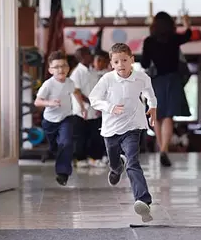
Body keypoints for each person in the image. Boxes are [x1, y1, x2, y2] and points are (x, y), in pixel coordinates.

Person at [89, 43, 157, 222]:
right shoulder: (107, 79)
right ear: (112, 64)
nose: (121, 64)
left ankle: (143, 200)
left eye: (125, 60)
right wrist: (109, 107)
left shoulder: (141, 77)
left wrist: (153, 107)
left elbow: (149, 93)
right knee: (114, 160)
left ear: (132, 60)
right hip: (111, 129)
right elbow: (93, 99)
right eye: (117, 61)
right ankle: (115, 167)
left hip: (133, 127)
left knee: (133, 162)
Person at [141, 12, 193, 167]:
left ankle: (160, 147)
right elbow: (187, 35)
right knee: (169, 116)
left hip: (156, 81)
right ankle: (164, 149)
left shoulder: (149, 41)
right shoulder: (174, 39)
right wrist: (187, 24)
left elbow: (144, 63)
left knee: (157, 117)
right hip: (173, 80)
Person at [35, 51, 87, 186]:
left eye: (64, 66)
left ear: (68, 68)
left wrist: (82, 107)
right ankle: (52, 150)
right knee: (55, 146)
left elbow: (75, 92)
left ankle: (62, 173)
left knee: (66, 142)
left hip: (66, 118)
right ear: (50, 70)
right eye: (57, 67)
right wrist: (50, 103)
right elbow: (37, 102)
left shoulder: (70, 82)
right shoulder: (48, 84)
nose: (61, 69)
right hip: (49, 121)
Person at [70, 47, 106, 168]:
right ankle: (80, 159)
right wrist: (89, 103)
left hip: (94, 110)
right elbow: (77, 91)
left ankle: (95, 158)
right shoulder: (77, 72)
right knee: (81, 136)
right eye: (89, 54)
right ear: (82, 57)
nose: (91, 56)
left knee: (95, 135)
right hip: (81, 110)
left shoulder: (92, 71)